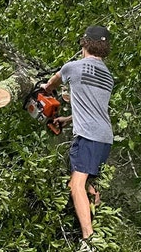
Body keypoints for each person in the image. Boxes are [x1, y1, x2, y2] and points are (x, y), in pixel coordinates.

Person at [41, 26, 114, 248]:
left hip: (88, 136)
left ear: (84, 43)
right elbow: (93, 108)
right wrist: (66, 119)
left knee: (76, 185)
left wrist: (45, 88)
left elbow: (51, 84)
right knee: (89, 185)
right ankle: (97, 224)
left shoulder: (72, 68)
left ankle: (88, 240)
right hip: (104, 137)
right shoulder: (108, 77)